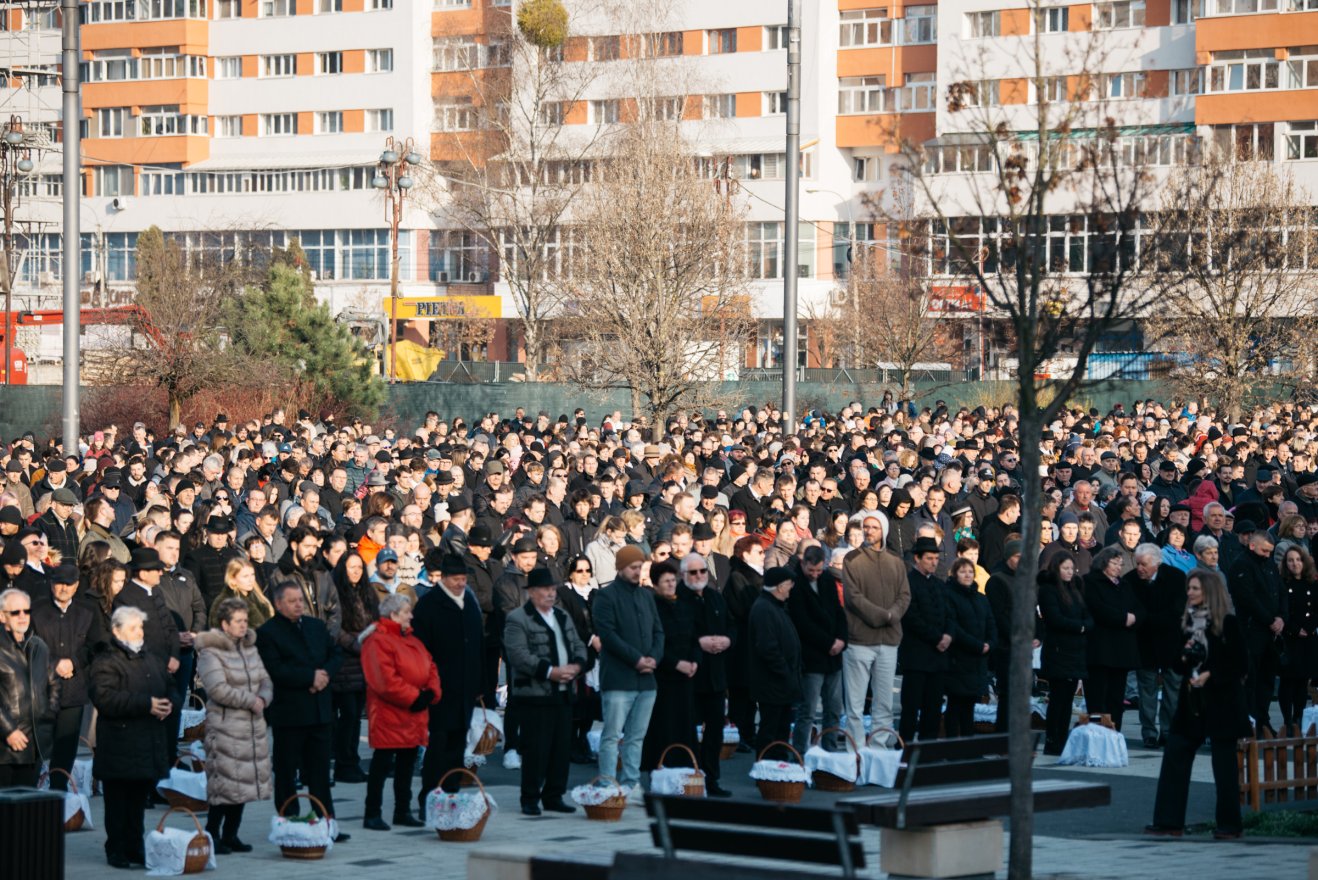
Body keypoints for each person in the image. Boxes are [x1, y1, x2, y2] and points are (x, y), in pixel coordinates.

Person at [1148, 569, 1250, 839]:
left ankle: (1229, 825)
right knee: (1176, 754)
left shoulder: (1227, 622)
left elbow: (1240, 663)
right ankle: (1169, 821)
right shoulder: (1188, 622)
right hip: (1192, 703)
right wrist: (1184, 656)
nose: (1190, 593)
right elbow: (1176, 664)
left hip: (1222, 703)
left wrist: (1211, 674)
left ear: (1208, 591)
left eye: (1195, 588)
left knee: (1224, 766)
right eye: (1189, 589)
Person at [256, 580, 347, 841]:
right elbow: (275, 669)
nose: (298, 605)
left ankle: (326, 822)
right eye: (292, 600)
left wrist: (324, 675)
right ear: (278, 603)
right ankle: (290, 821)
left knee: (320, 772)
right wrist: (310, 677)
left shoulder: (316, 626)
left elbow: (335, 654)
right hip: (290, 713)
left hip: (320, 711)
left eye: (300, 600)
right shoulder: (269, 633)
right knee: (286, 771)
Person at [90, 605, 172, 869]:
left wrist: (170, 704)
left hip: (147, 740)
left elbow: (170, 686)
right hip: (119, 742)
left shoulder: (151, 657)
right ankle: (116, 849)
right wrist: (145, 704)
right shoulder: (106, 660)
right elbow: (105, 698)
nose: (140, 633)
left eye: (141, 627)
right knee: (118, 802)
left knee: (137, 802)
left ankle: (135, 847)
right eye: (134, 628)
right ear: (117, 631)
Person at [504, 567, 587, 816]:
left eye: (552, 589)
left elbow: (578, 644)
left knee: (560, 747)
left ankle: (554, 795)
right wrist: (549, 671)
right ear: (532, 592)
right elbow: (518, 655)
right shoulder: (518, 618)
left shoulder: (561, 615)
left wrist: (578, 666)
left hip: (562, 691)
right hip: (535, 694)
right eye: (545, 589)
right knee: (536, 748)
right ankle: (530, 797)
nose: (551, 594)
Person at [196, 598, 274, 854]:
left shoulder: (250, 648)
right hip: (225, 727)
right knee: (224, 786)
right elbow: (217, 689)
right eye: (238, 621)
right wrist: (250, 700)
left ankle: (231, 834)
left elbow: (264, 677)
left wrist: (263, 697)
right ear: (224, 624)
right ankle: (212, 833)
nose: (244, 626)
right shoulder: (210, 651)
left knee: (244, 786)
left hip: (251, 727)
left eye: (245, 621)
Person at [360, 592, 439, 830]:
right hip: (389, 713)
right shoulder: (378, 640)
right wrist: (415, 697)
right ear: (393, 615)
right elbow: (384, 680)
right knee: (382, 764)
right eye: (406, 612)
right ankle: (372, 812)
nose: (411, 615)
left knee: (407, 763)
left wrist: (431, 691)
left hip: (413, 712)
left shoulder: (410, 638)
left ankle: (402, 810)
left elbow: (430, 664)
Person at [412, 552, 483, 808]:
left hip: (465, 686)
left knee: (458, 744)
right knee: (438, 744)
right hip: (439, 687)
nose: (460, 583)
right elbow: (419, 649)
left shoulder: (470, 601)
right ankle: (430, 797)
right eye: (455, 578)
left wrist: (481, 683)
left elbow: (478, 644)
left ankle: (451, 794)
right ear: (443, 578)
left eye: (463, 578)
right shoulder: (429, 604)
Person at [592, 544, 664, 799]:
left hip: (646, 680)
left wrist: (654, 657)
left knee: (636, 737)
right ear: (621, 567)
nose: (638, 572)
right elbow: (608, 635)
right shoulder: (606, 596)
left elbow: (658, 631)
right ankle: (607, 785)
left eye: (641, 567)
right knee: (612, 736)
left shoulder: (646, 595)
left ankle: (631, 784)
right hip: (619, 679)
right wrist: (637, 659)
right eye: (634, 567)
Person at [29, 564, 93, 787]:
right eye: (59, 583)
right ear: (51, 584)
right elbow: (28, 646)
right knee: (37, 746)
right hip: (42, 688)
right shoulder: (35, 611)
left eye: (68, 584)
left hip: (73, 689)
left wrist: (73, 662)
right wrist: (54, 663)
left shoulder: (86, 613)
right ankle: (29, 791)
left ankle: (59, 788)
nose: (63, 588)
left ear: (76, 586)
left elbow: (92, 648)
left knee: (66, 747)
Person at [679, 551, 733, 797]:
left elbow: (732, 625)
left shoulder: (714, 596)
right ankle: (689, 777)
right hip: (691, 675)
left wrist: (727, 640)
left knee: (715, 731)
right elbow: (675, 634)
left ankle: (712, 778)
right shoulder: (678, 599)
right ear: (683, 575)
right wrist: (699, 642)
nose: (699, 575)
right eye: (693, 572)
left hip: (717, 674)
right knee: (687, 730)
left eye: (702, 571)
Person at [641, 559, 700, 774]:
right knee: (664, 726)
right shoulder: (653, 608)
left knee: (685, 724)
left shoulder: (684, 605)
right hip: (664, 677)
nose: (670, 585)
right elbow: (654, 644)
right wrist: (676, 664)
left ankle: (685, 771)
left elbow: (694, 636)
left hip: (686, 677)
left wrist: (694, 661)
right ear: (655, 585)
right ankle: (662, 771)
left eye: (673, 580)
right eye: (665, 581)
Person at [788, 544, 848, 754]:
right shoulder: (795, 584)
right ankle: (800, 754)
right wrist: (829, 642)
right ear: (803, 564)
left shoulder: (826, 579)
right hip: (813, 656)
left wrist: (841, 639)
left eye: (818, 570)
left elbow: (839, 612)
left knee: (834, 708)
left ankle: (829, 750)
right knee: (808, 710)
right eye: (811, 570)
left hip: (833, 655)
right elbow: (802, 622)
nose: (814, 575)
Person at [1228, 531, 1287, 737]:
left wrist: (1281, 617)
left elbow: (1280, 590)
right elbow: (1247, 598)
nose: (1268, 555)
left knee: (1267, 680)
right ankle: (1250, 720)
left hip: (1271, 632)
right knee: (1251, 680)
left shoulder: (1269, 563)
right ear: (1252, 546)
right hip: (1252, 631)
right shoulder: (1241, 565)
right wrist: (1270, 620)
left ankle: (1263, 720)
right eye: (1264, 550)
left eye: (1270, 552)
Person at [1128, 544, 1187, 748]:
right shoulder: (1130, 580)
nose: (1140, 568)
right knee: (1147, 690)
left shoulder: (1177, 577)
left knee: (1173, 689)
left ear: (1156, 563)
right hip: (1145, 643)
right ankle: (1149, 733)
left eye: (1144, 564)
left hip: (1172, 642)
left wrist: (1147, 619)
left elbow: (1178, 610)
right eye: (1138, 564)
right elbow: (1133, 609)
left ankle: (1168, 730)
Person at [329, 553, 379, 785]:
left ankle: (353, 761)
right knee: (347, 715)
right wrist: (355, 643)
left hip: (364, 662)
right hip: (345, 662)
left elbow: (375, 621)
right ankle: (343, 763)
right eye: (352, 567)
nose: (356, 571)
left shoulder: (368, 593)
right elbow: (334, 628)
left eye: (359, 567)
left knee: (357, 716)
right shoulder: (337, 592)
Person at [0, 586, 57, 787]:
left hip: (34, 744)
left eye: (26, 611)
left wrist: (47, 717)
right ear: (2, 615)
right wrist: (8, 731)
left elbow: (53, 684)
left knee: (26, 811)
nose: (22, 617)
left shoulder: (38, 646)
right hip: (5, 747)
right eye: (15, 612)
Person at [1083, 545, 1144, 732]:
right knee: (1097, 695)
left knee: (1116, 697)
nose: (1119, 567)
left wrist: (1134, 617)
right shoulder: (1090, 582)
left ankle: (1114, 732)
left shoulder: (1124, 584)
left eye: (1121, 563)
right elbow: (1098, 608)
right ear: (1104, 562)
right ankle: (1096, 732)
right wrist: (1123, 618)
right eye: (1115, 563)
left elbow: (1139, 608)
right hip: (1100, 648)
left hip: (1122, 649)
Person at [1038, 552, 1092, 755]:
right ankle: (1052, 739)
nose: (1070, 572)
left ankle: (1062, 737)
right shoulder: (1048, 590)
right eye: (1066, 568)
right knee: (1058, 697)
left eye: (1072, 568)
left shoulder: (1075, 588)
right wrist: (1079, 627)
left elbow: (1088, 617)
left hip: (1075, 650)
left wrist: (1083, 626)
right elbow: (1054, 619)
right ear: (1056, 569)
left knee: (1068, 699)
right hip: (1058, 650)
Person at [900, 537, 952, 742]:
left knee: (933, 708)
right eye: (929, 558)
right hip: (917, 655)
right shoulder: (909, 582)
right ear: (917, 558)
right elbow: (912, 617)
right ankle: (905, 748)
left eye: (936, 558)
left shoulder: (940, 585)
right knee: (911, 707)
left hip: (938, 658)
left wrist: (948, 635)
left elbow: (949, 614)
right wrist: (938, 637)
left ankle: (928, 750)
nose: (933, 562)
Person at [749, 566, 802, 758]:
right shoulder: (764, 608)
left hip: (780, 683)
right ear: (780, 587)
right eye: (788, 585)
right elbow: (767, 648)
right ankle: (767, 769)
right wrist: (785, 673)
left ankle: (778, 766)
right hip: (772, 683)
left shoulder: (774, 606)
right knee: (771, 729)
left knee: (780, 729)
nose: (790, 589)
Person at [943, 557, 996, 738]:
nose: (967, 575)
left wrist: (990, 643)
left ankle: (967, 744)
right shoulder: (949, 595)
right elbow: (953, 626)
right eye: (963, 571)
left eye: (970, 572)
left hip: (978, 660)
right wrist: (977, 645)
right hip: (959, 657)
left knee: (970, 705)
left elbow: (991, 623)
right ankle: (952, 745)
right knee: (955, 704)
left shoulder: (981, 598)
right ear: (955, 574)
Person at [723, 535, 765, 749]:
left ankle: (748, 733)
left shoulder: (757, 577)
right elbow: (746, 609)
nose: (763, 556)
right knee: (741, 692)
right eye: (759, 552)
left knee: (751, 692)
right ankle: (739, 734)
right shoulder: (738, 577)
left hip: (753, 643)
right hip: (742, 643)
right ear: (746, 554)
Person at [1278, 547, 1318, 736]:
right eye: (1290, 560)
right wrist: (1295, 629)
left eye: (1298, 560)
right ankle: (1287, 719)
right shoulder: (1282, 584)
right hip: (1290, 638)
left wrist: (1309, 628)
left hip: (1308, 638)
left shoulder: (1313, 583)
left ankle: (1298, 717)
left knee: (1302, 681)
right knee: (1288, 682)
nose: (1295, 564)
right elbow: (1282, 610)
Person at [208, 558, 275, 629]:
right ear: (233, 579)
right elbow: (218, 632)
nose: (250, 580)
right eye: (245, 576)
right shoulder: (224, 602)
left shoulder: (258, 598)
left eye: (252, 575)